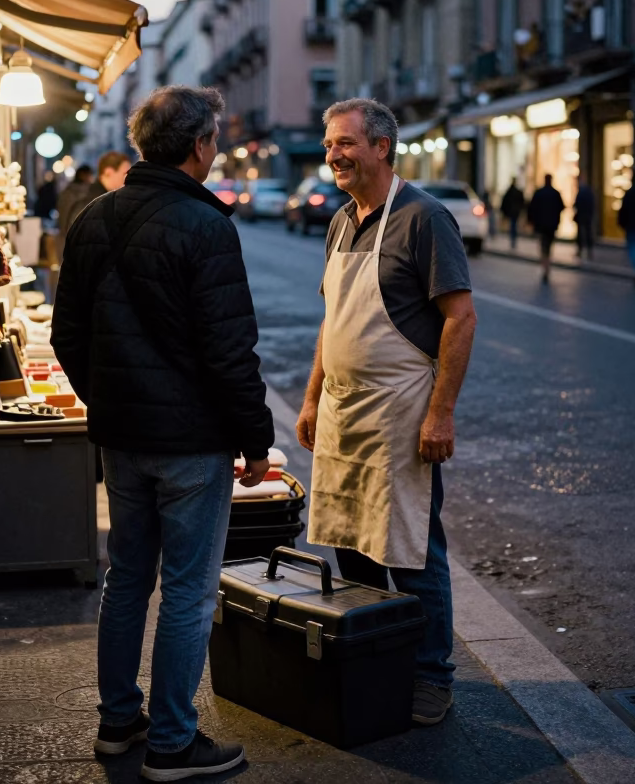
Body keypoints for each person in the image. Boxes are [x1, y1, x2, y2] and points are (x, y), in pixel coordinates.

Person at [51, 85, 273, 780]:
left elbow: (67, 336)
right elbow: (230, 351)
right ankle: (174, 743)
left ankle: (119, 723)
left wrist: (110, 400)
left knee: (126, 581)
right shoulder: (207, 227)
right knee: (186, 590)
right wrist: (256, 441)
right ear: (200, 145)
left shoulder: (93, 218)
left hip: (123, 441)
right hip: (190, 444)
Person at [296, 98, 477, 728]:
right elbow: (334, 318)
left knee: (412, 551)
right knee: (353, 544)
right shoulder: (341, 221)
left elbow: (460, 317)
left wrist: (441, 415)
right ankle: (379, 658)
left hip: (403, 414)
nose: (333, 155)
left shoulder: (425, 218)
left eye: (344, 143)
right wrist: (313, 394)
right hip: (346, 413)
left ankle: (432, 675)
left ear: (381, 146)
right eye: (328, 145)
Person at [527, 175, 565, 284]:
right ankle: (547, 266)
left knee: (543, 246)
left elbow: (532, 208)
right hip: (551, 225)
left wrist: (532, 222)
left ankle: (545, 266)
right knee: (548, 246)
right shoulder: (555, 194)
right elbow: (561, 207)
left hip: (541, 225)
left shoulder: (539, 193)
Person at [573, 175, 596, 261]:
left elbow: (577, 204)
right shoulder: (588, 191)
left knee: (582, 234)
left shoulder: (582, 191)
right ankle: (589, 252)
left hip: (582, 215)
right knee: (587, 233)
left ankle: (582, 250)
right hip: (587, 216)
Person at [500, 178, 526, 249]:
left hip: (513, 212)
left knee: (513, 225)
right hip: (514, 212)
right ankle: (513, 241)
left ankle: (513, 240)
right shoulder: (514, 191)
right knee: (513, 225)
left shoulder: (511, 191)